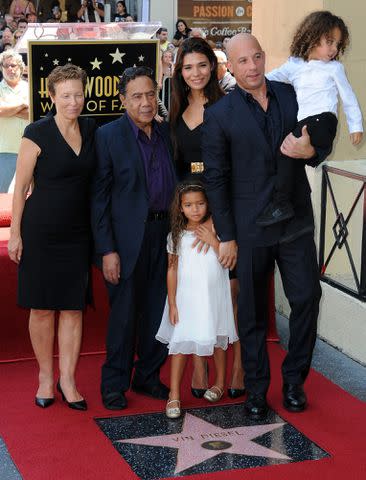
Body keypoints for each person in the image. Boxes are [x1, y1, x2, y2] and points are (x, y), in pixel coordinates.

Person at [202, 33, 331, 419]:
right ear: (231, 66)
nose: (253, 66)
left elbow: (323, 129)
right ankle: (256, 389)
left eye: (257, 56)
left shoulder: (291, 95)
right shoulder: (220, 115)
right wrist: (226, 235)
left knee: (307, 298)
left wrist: (315, 151)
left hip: (294, 222)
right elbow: (216, 179)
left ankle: (294, 381)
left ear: (264, 55)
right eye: (243, 61)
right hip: (249, 229)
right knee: (254, 315)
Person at [8, 64, 96, 411]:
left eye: (78, 94)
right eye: (65, 95)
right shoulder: (36, 132)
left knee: (73, 308)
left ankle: (68, 379)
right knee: (42, 307)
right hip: (41, 230)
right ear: (51, 96)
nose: (73, 101)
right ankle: (46, 377)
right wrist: (15, 233)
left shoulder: (92, 129)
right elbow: (20, 189)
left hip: (78, 233)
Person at [91, 66, 176, 411]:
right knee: (124, 315)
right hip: (126, 239)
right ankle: (114, 384)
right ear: (123, 99)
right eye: (137, 96)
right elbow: (98, 197)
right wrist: (107, 249)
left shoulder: (168, 133)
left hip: (165, 235)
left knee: (159, 310)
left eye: (150, 94)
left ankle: (147, 376)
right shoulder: (108, 136)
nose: (145, 102)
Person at [170, 37, 245, 399]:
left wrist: (218, 221)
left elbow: (238, 169)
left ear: (213, 68)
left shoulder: (229, 106)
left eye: (202, 65)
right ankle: (200, 367)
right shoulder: (175, 111)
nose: (196, 72)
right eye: (188, 67)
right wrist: (188, 221)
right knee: (195, 292)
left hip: (224, 215)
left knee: (230, 293)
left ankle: (238, 368)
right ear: (179, 72)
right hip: (190, 218)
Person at [257, 10, 363, 227]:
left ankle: (281, 204)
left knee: (285, 152)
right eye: (329, 42)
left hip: (323, 121)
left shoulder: (335, 68)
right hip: (306, 123)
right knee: (285, 154)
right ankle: (284, 203)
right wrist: (248, 83)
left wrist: (356, 126)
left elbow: (348, 97)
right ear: (312, 37)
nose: (334, 49)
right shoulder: (294, 65)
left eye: (337, 44)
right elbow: (271, 79)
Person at [156, 181, 238, 418]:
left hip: (214, 296)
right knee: (180, 344)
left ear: (208, 204)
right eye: (189, 205)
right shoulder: (176, 236)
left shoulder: (219, 230)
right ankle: (174, 395)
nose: (195, 209)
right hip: (186, 299)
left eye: (200, 203)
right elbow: (172, 270)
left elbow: (227, 259)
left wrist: (213, 240)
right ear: (180, 208)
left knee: (218, 339)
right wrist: (172, 302)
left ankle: (220, 383)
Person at [0, 50, 28, 193]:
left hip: (30, 148)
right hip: (5, 149)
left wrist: (9, 110)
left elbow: (33, 113)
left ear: (21, 67)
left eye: (13, 65)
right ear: (1, 68)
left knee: (29, 192)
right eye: (6, 66)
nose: (10, 69)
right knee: (2, 192)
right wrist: (22, 106)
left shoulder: (29, 87)